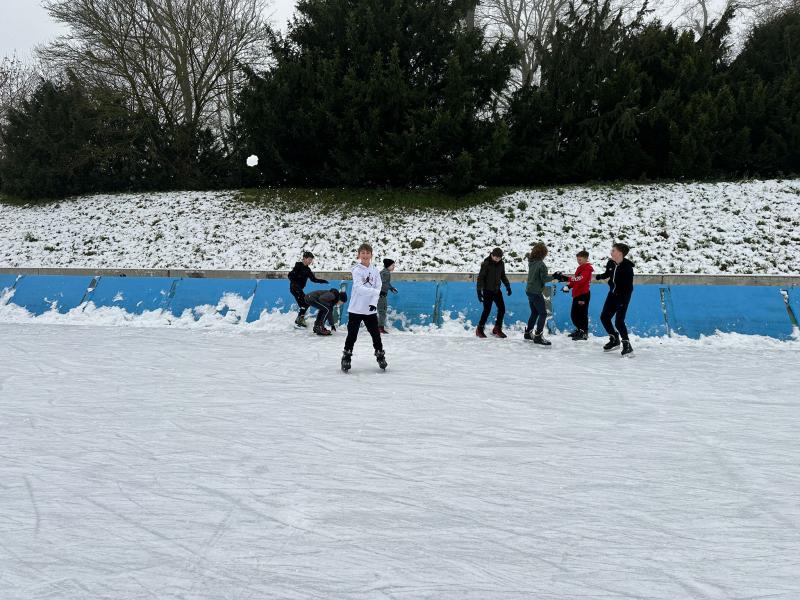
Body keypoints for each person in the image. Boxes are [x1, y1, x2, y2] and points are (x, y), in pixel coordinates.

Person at [342, 243, 387, 372]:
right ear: (359, 255)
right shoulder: (357, 270)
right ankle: (346, 356)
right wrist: (375, 293)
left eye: (368, 253)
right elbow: (359, 288)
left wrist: (373, 303)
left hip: (369, 310)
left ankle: (380, 355)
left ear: (371, 255)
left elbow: (378, 286)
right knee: (352, 335)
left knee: (375, 334)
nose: (365, 255)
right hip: (356, 309)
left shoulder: (375, 270)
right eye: (363, 253)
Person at [596, 242, 635, 356]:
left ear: (620, 253)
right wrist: (600, 276)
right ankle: (614, 339)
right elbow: (608, 273)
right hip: (612, 294)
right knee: (604, 317)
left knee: (619, 321)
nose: (611, 252)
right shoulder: (611, 263)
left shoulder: (627, 268)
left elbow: (628, 286)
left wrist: (621, 298)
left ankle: (627, 345)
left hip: (623, 296)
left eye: (613, 250)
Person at [525, 242, 560, 346]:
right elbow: (544, 279)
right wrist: (555, 276)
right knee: (543, 313)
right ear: (543, 254)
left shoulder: (531, 262)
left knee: (534, 313)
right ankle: (538, 336)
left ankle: (528, 333)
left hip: (529, 290)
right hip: (536, 292)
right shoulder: (541, 265)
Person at [476, 247, 512, 338]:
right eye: (495, 256)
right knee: (487, 310)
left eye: (499, 257)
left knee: (502, 309)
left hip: (496, 290)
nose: (496, 258)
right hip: (487, 291)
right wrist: (479, 291)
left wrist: (508, 286)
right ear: (492, 255)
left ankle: (497, 328)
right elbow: (480, 278)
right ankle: (479, 329)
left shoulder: (501, 264)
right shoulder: (486, 264)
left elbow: (503, 276)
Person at [288, 251, 328, 327]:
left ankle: (299, 319)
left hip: (299, 289)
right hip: (295, 288)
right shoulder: (298, 266)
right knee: (306, 302)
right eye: (309, 259)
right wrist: (294, 283)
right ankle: (299, 320)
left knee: (305, 304)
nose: (310, 261)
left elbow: (313, 279)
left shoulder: (308, 270)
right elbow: (290, 275)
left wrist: (322, 281)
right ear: (304, 258)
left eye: (311, 260)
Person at [561, 250, 594, 340]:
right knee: (574, 314)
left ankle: (584, 333)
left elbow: (580, 279)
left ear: (586, 259)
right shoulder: (580, 268)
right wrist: (568, 286)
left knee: (581, 314)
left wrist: (566, 278)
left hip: (583, 295)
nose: (578, 261)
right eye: (577, 259)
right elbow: (576, 281)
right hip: (577, 294)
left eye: (580, 259)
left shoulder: (587, 269)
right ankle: (579, 330)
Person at [378, 258, 399, 334]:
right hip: (381, 295)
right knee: (382, 311)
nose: (394, 267)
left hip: (380, 295)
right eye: (393, 265)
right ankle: (380, 328)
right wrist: (389, 288)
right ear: (388, 266)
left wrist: (391, 288)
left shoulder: (384, 272)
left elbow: (385, 283)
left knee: (381, 311)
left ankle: (379, 327)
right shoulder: (386, 273)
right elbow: (382, 283)